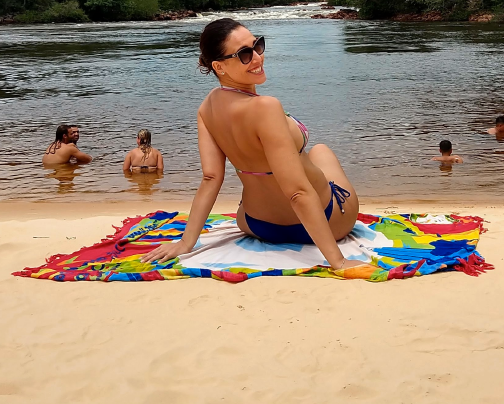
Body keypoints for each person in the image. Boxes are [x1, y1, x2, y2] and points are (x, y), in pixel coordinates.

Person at [141, 18, 367, 271]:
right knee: (321, 151)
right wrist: (338, 261)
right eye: (244, 54)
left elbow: (210, 178)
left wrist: (186, 242)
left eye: (257, 45)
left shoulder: (207, 107)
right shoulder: (266, 107)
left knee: (310, 158)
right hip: (326, 223)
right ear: (219, 66)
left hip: (255, 224)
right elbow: (297, 192)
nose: (257, 57)